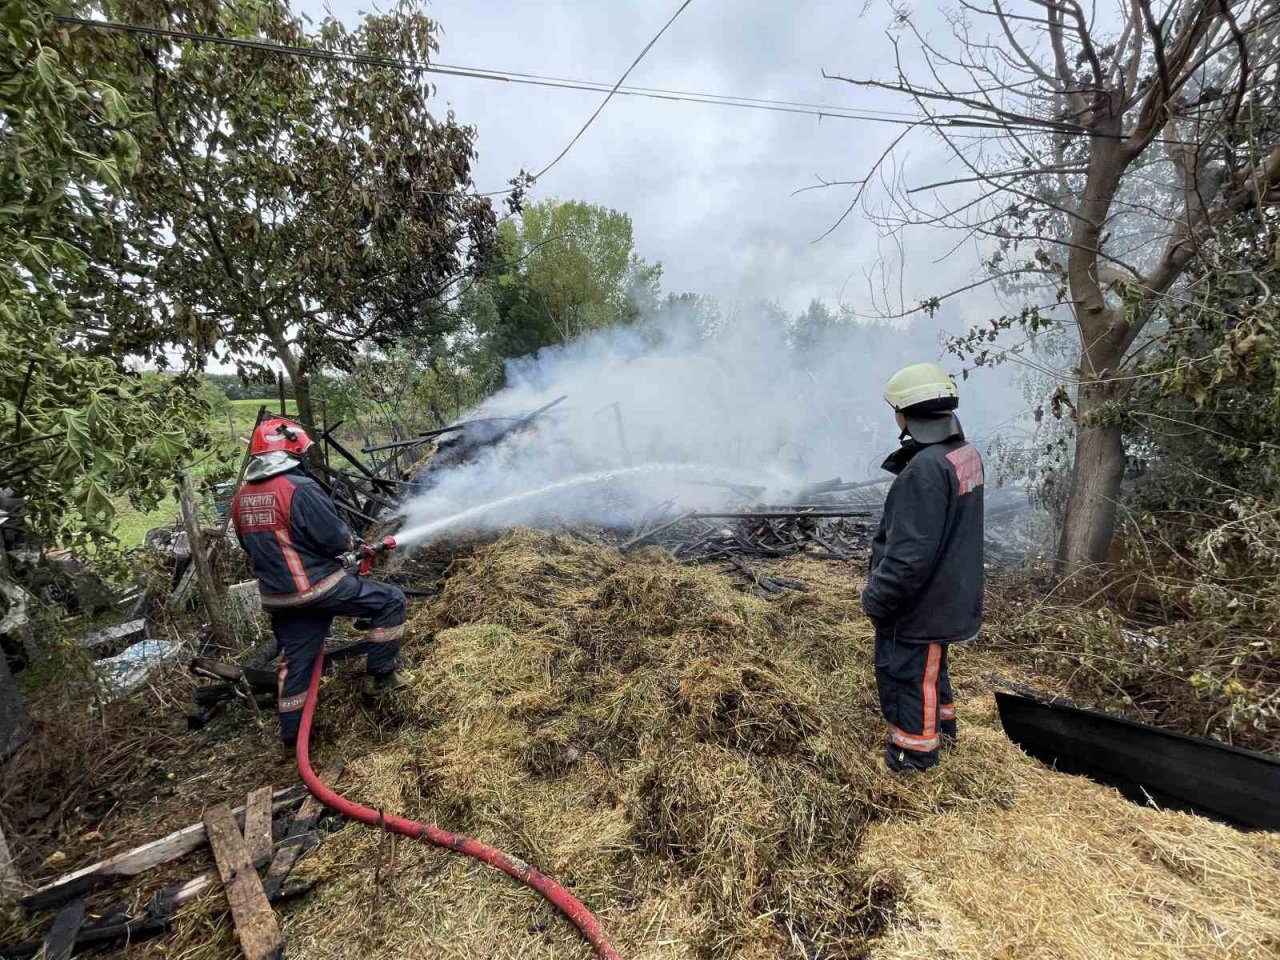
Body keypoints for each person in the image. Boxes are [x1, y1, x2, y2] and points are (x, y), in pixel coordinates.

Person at [231, 417, 407, 747]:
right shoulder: (298, 489)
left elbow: (249, 544)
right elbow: (334, 539)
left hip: (277, 597)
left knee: (298, 660)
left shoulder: (241, 499)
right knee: (390, 600)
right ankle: (382, 677)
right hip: (316, 589)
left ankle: (293, 736)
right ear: (291, 453)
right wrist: (353, 545)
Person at [861, 363, 984, 772]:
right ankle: (943, 734)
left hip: (919, 606)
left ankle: (912, 758)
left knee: (906, 676)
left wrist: (877, 599)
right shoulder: (961, 455)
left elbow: (908, 556)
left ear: (906, 412)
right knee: (931, 670)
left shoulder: (924, 473)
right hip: (949, 595)